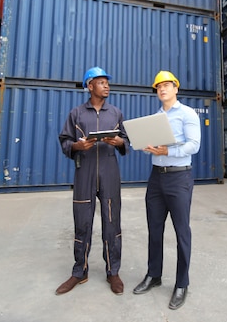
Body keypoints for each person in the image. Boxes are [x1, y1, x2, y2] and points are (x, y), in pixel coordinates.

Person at [56, 67, 128, 295]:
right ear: (90, 86)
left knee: (112, 222)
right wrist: (78, 146)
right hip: (84, 171)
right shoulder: (76, 114)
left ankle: (113, 271)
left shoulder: (115, 113)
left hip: (109, 172)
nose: (106, 86)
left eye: (107, 82)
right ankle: (80, 271)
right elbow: (65, 141)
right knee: (82, 222)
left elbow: (126, 140)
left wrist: (118, 142)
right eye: (101, 82)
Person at [132, 70, 201, 310]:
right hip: (156, 180)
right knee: (154, 229)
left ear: (176, 88)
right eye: (158, 86)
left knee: (182, 232)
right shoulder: (155, 118)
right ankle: (154, 275)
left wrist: (168, 152)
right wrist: (144, 145)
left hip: (178, 178)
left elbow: (194, 145)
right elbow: (148, 146)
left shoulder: (187, 114)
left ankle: (182, 283)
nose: (162, 89)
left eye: (166, 85)